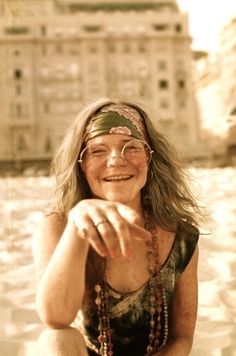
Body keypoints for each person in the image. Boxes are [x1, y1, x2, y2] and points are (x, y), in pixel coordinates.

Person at [32, 97, 202, 356]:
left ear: (149, 158)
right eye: (98, 151)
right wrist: (79, 228)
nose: (115, 160)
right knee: (55, 340)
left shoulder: (179, 235)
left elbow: (181, 337)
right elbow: (55, 319)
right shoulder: (58, 225)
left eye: (131, 147)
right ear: (81, 165)